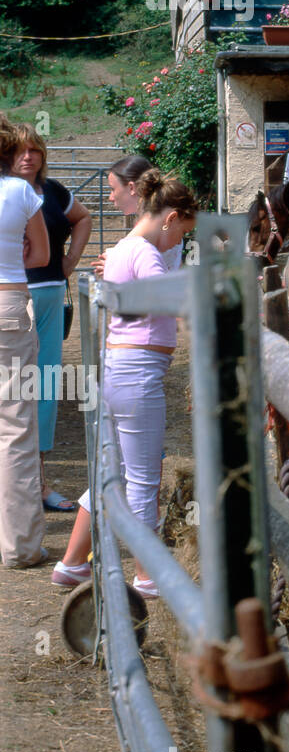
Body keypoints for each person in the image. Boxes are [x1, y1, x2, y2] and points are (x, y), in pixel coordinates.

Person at [53, 169, 197, 597]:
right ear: (170, 218)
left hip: (119, 370)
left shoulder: (120, 250)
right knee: (142, 478)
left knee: (110, 472)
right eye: (182, 232)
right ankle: (148, 575)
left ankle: (72, 564)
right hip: (138, 374)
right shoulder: (147, 252)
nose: (178, 243)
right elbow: (170, 301)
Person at [13, 125, 92, 512]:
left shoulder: (55, 192)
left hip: (50, 297)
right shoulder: (6, 193)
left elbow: (83, 218)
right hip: (11, 298)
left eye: (35, 150)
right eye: (21, 150)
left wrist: (71, 260)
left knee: (44, 388)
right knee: (12, 391)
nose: (28, 157)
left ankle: (41, 484)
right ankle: (14, 487)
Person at [0, 114, 52, 568]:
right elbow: (41, 255)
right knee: (15, 428)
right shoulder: (20, 192)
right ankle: (19, 546)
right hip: (9, 304)